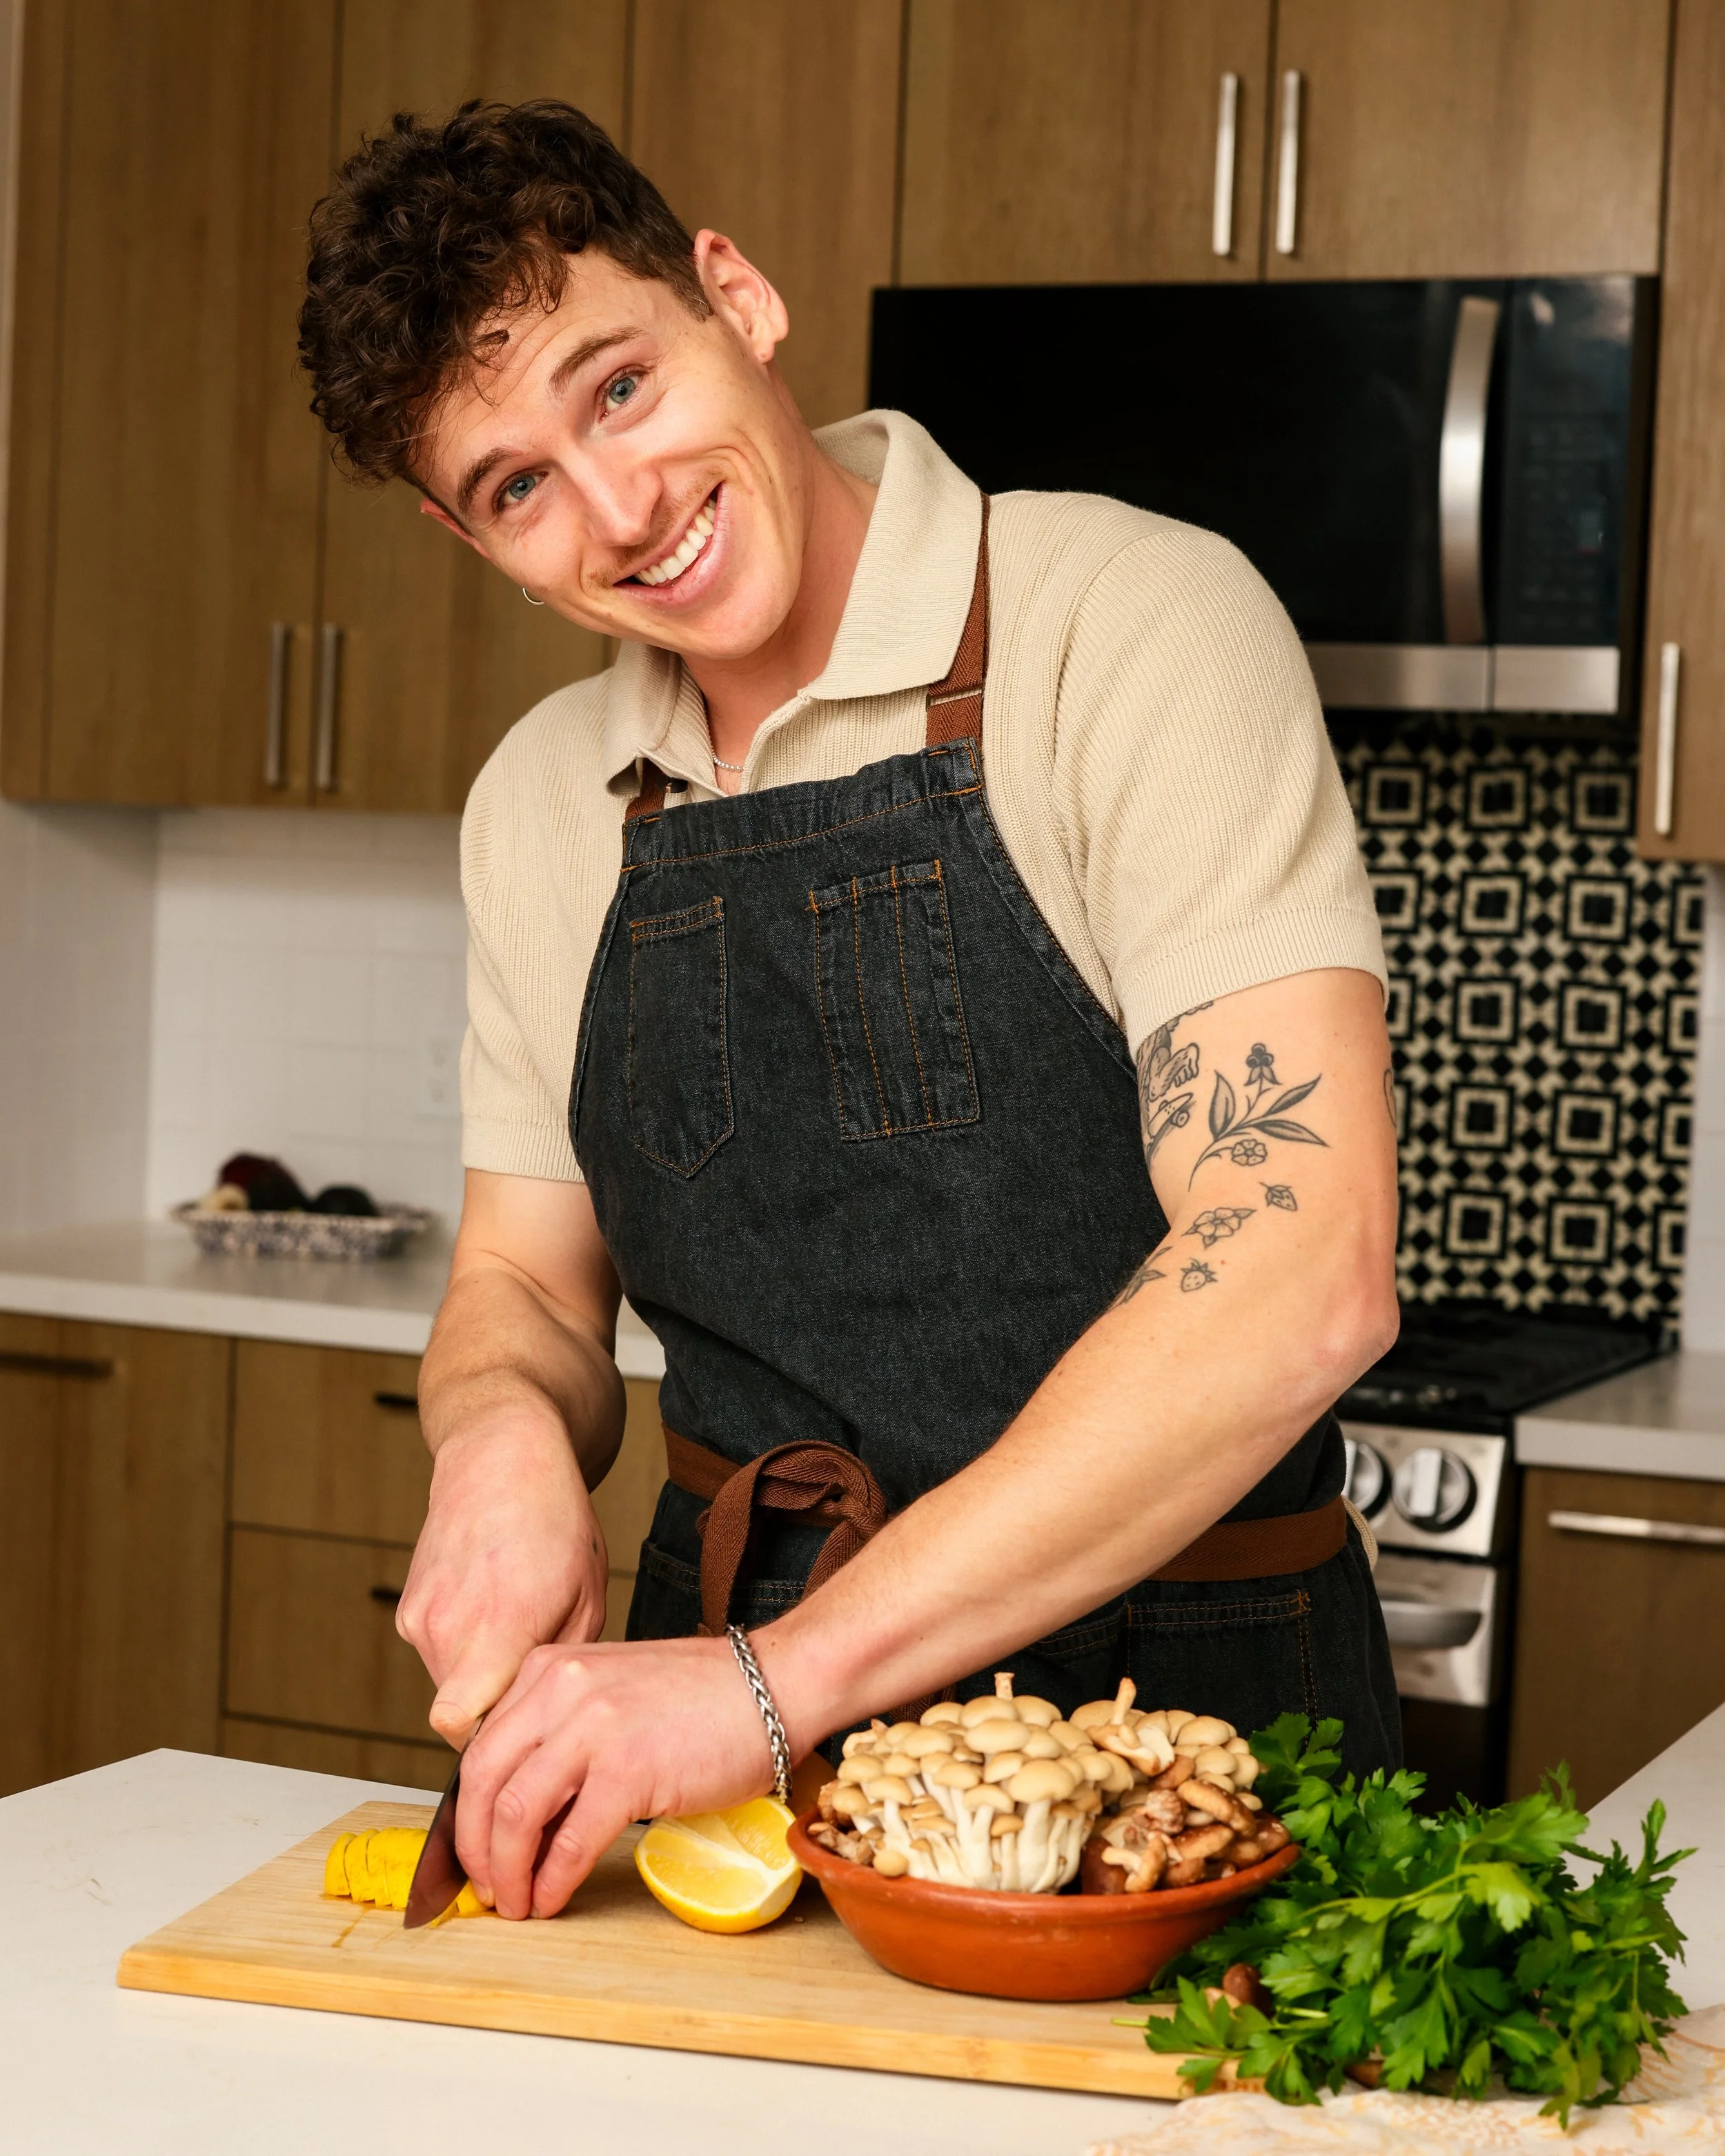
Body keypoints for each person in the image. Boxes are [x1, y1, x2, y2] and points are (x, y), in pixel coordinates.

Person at [299, 99, 1401, 1923]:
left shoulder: (1128, 625)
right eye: (516, 486)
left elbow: (1301, 1259)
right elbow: (520, 1284)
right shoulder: (541, 800)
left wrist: (766, 1684)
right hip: (707, 1744)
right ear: (454, 527)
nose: (619, 508)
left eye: (620, 388)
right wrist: (496, 1437)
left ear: (731, 292)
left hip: (1184, 1727)